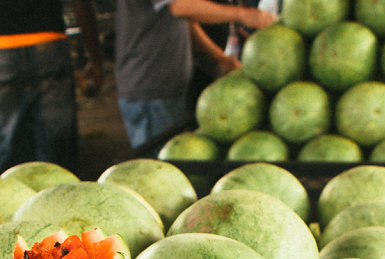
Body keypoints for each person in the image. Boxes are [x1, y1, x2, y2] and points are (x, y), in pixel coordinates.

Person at [0, 0, 104, 176]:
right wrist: (95, 59)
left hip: (4, 50)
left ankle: (8, 199)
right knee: (57, 151)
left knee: (8, 150)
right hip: (49, 47)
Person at [114, 0, 275, 151]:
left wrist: (218, 58)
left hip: (167, 89)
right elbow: (180, 7)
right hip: (149, 92)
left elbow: (185, 19)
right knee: (155, 170)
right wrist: (243, 15)